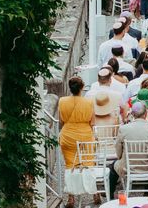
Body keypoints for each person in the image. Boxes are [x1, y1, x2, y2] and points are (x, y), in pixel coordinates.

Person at [108, 102, 148, 198]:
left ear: (132, 114)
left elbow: (118, 150)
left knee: (112, 167)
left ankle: (110, 196)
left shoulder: (123, 129)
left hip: (127, 168)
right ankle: (147, 193)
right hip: (147, 167)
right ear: (146, 114)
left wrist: (120, 158)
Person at [59, 76, 96, 207]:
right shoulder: (89, 102)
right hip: (85, 135)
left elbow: (61, 121)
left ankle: (71, 197)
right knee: (88, 163)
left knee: (70, 165)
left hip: (67, 135)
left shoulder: (62, 101)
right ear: (82, 88)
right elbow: (92, 122)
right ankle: (94, 192)